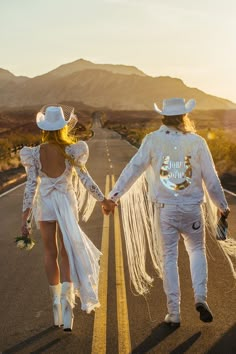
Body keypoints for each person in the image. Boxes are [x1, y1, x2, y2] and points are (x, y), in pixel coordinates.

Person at [108, 98, 231, 327]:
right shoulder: (197, 142)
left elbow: (133, 169)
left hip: (166, 211)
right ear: (185, 117)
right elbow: (212, 180)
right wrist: (223, 206)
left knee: (170, 258)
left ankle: (174, 313)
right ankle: (200, 298)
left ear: (163, 117)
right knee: (196, 251)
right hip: (193, 209)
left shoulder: (152, 140)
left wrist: (113, 197)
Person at [20, 105, 114, 331]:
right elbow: (85, 178)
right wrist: (103, 200)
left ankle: (55, 306)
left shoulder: (34, 153)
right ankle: (67, 305)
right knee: (66, 252)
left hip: (46, 204)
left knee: (50, 252)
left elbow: (31, 186)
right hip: (66, 201)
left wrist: (25, 217)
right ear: (63, 127)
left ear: (44, 128)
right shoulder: (72, 150)